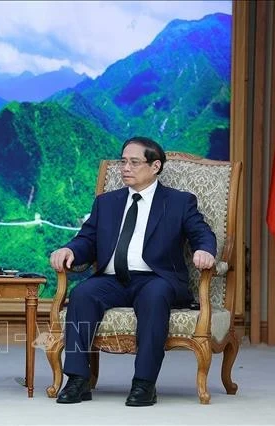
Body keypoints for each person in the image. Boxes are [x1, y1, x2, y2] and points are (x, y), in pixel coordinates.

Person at [49, 136, 216, 406]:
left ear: (155, 166)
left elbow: (202, 234)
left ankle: (144, 384)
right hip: (113, 280)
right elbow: (87, 240)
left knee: (154, 295)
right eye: (123, 161)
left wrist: (205, 251)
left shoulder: (178, 202)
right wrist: (70, 250)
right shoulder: (106, 202)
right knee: (82, 294)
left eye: (134, 162)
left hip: (156, 279)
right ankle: (78, 380)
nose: (125, 168)